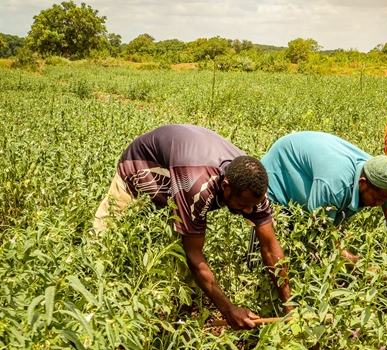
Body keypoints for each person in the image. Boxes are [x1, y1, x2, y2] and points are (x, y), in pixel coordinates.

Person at [93, 124, 291, 330]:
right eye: (242, 205)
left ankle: (181, 319)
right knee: (102, 239)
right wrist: (229, 309)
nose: (249, 212)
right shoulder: (197, 185)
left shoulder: (252, 185)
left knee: (180, 255)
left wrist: (289, 307)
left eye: (252, 206)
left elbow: (269, 247)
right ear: (226, 187)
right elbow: (193, 254)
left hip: (180, 171)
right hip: (141, 169)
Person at [260, 131, 387, 274]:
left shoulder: (385, 181)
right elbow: (321, 237)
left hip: (316, 166)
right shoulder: (334, 186)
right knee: (271, 257)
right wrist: (361, 266)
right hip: (278, 173)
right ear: (362, 182)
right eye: (377, 199)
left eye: (386, 199)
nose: (381, 204)